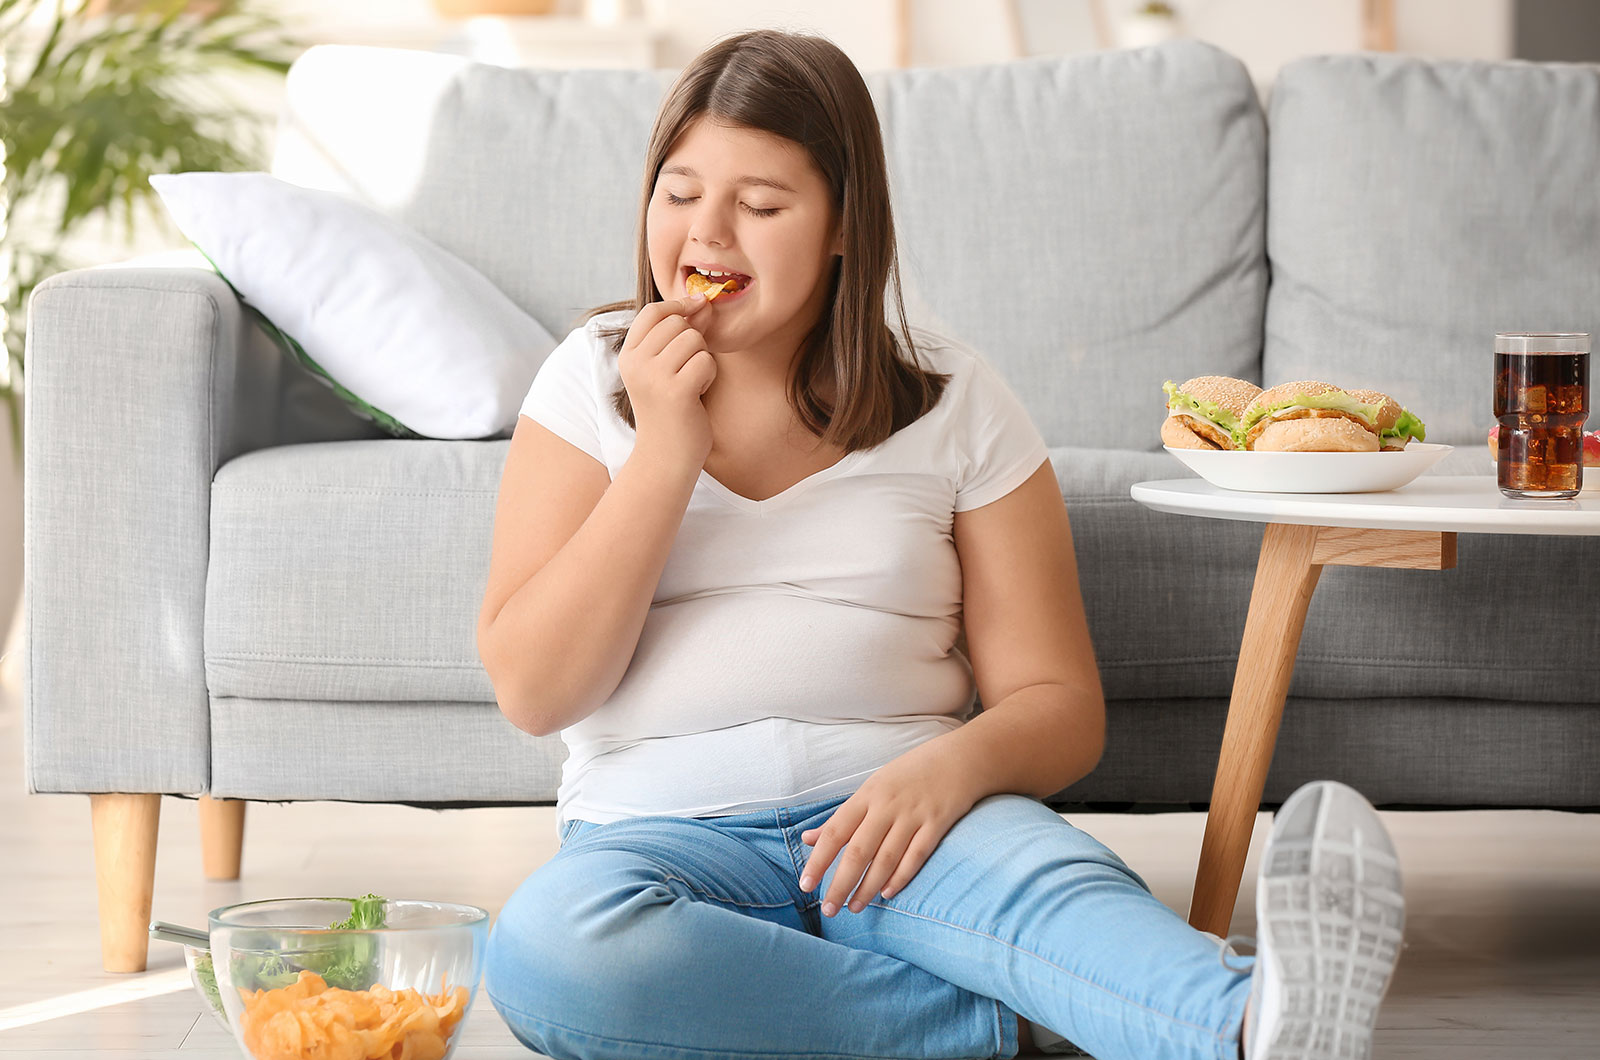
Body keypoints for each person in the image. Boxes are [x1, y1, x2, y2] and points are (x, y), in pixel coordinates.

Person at [475, 28, 1406, 1060]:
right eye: (680, 192)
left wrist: (946, 771)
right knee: (551, 955)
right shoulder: (587, 380)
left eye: (763, 203)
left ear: (841, 226)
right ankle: (1023, 1022)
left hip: (906, 821)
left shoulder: (954, 397)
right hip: (654, 841)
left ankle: (1248, 1023)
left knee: (1057, 895)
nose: (708, 234)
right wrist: (662, 457)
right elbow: (535, 690)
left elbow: (1059, 706)